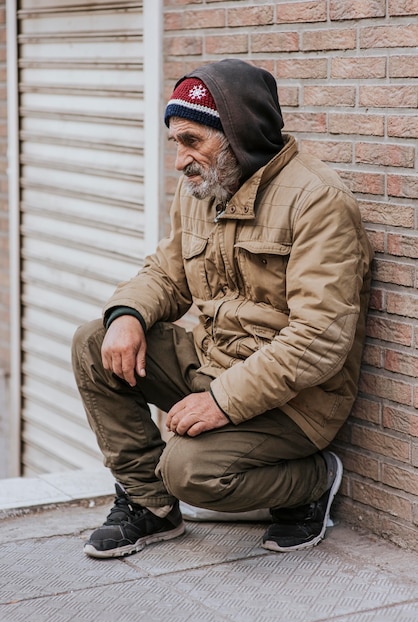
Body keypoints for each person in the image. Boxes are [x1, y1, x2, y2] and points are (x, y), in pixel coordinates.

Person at [72, 58, 373, 559]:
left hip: (297, 400)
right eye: (177, 143)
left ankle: (313, 483)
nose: (180, 160)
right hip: (213, 364)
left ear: (238, 131)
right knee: (91, 342)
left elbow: (320, 338)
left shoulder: (318, 201)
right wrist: (126, 314)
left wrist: (222, 402)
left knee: (189, 470)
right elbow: (168, 273)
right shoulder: (203, 188)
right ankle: (151, 507)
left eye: (193, 141)